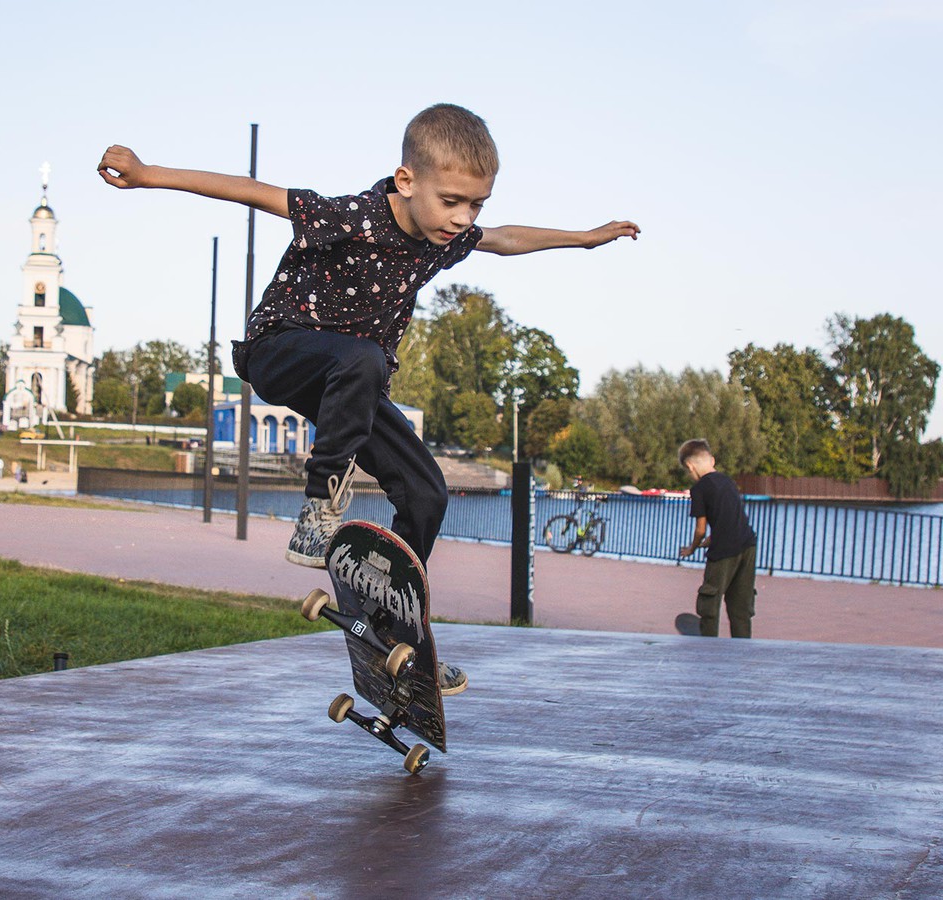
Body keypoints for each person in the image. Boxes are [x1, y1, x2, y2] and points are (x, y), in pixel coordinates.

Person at [99, 104, 639, 693]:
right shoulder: (351, 215)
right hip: (280, 352)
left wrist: (585, 239)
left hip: (349, 384)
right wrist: (150, 173)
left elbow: (507, 239)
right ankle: (318, 510)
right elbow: (252, 192)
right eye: (451, 201)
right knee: (364, 356)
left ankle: (390, 632)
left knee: (428, 493)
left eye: (475, 205)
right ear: (406, 181)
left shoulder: (443, 240)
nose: (461, 220)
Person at [678, 439, 757, 638]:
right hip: (747, 545)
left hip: (724, 552)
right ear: (711, 460)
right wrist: (713, 538)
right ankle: (742, 645)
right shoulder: (727, 481)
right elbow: (729, 517)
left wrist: (692, 548)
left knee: (710, 604)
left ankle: (708, 646)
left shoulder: (700, 489)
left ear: (690, 465)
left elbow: (700, 530)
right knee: (741, 605)